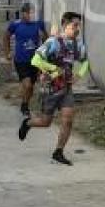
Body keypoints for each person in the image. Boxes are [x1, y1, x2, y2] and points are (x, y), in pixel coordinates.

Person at [18, 12, 89, 165]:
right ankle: (28, 123)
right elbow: (35, 60)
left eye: (79, 26)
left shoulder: (78, 44)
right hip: (50, 88)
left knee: (68, 120)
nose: (77, 29)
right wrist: (54, 69)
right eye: (74, 26)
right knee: (45, 122)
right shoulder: (53, 42)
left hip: (66, 89)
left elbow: (85, 62)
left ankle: (58, 152)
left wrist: (79, 75)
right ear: (65, 26)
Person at [4, 3, 48, 117]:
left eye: (32, 12)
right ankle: (24, 105)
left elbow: (46, 40)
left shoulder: (39, 24)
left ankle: (25, 104)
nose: (31, 15)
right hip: (21, 60)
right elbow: (6, 36)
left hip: (35, 60)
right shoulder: (15, 25)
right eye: (28, 12)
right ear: (23, 13)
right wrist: (7, 51)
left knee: (31, 86)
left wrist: (44, 48)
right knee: (27, 85)